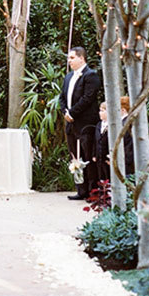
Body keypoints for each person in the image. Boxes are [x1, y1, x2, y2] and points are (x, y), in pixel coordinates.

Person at [58, 46, 100, 200]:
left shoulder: (91, 75)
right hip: (71, 123)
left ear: (81, 58)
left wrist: (72, 113)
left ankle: (92, 191)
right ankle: (80, 189)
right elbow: (62, 97)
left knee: (87, 156)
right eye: (69, 58)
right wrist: (65, 112)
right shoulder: (68, 77)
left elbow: (88, 98)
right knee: (75, 158)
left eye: (72, 58)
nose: (69, 61)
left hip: (85, 123)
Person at [93, 101, 109, 183]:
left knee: (107, 175)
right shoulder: (99, 125)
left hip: (107, 157)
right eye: (100, 110)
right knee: (100, 175)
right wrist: (94, 154)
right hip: (99, 156)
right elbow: (95, 141)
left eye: (103, 111)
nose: (100, 113)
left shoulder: (111, 126)